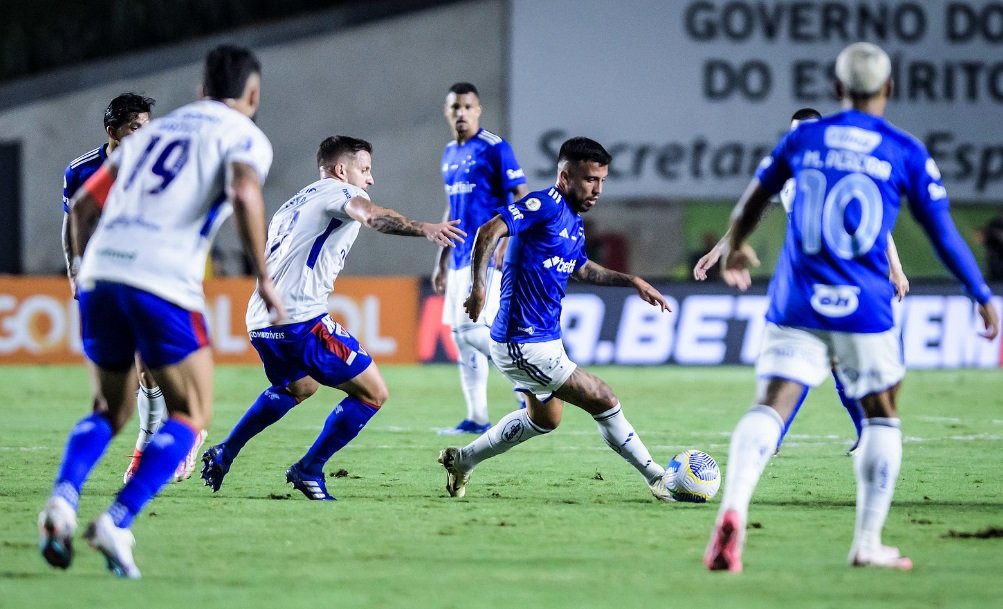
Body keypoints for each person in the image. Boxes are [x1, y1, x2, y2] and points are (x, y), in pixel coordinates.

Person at [704, 42, 999, 573]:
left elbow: (748, 204)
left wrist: (739, 245)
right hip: (863, 304)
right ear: (889, 89)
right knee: (882, 415)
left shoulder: (801, 141)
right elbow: (945, 236)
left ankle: (733, 510)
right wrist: (980, 292)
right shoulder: (903, 149)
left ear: (838, 89)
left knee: (770, 404)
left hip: (797, 298)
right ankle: (866, 542)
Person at [38, 45, 284, 579]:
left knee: (109, 408)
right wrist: (263, 276)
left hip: (101, 273)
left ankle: (62, 500)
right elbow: (244, 190)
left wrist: (85, 269)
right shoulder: (245, 135)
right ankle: (117, 520)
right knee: (192, 412)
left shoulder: (155, 132)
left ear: (200, 90)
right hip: (161, 277)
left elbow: (83, 209)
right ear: (253, 94)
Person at [200, 136, 465, 500]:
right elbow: (370, 216)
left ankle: (225, 452)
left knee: (299, 386)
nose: (370, 180)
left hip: (261, 320)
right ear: (342, 170)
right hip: (299, 320)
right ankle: (309, 469)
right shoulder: (340, 193)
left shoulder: (294, 202)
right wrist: (424, 228)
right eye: (365, 169)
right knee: (373, 393)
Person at [438, 137, 676, 502]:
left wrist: (632, 281)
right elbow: (490, 230)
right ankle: (657, 477)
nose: (597, 189)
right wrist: (479, 288)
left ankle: (463, 460)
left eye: (602, 181)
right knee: (603, 398)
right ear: (564, 178)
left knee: (545, 419)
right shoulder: (544, 205)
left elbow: (581, 268)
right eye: (589, 180)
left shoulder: (573, 221)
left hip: (545, 338)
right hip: (522, 342)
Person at [693, 107, 911, 455]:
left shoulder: (841, 168)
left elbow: (876, 223)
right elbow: (756, 209)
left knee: (834, 363)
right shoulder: (792, 171)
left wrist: (895, 268)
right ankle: (777, 439)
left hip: (847, 279)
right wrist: (722, 249)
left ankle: (856, 435)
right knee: (801, 361)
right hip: (805, 281)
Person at [61, 93, 205, 484]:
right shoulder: (82, 170)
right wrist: (76, 270)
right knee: (129, 381)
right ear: (113, 132)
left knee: (144, 368)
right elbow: (73, 219)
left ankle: (165, 440)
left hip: (149, 272)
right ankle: (182, 427)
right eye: (135, 128)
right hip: (106, 277)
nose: (145, 134)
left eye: (148, 126)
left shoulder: (155, 164)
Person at [432, 82, 529, 435]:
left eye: (467, 107)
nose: (461, 113)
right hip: (458, 255)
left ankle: (526, 383)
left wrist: (509, 238)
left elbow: (522, 196)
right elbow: (452, 209)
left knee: (470, 329)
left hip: (487, 255)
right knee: (461, 338)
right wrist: (440, 259)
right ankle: (476, 417)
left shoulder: (494, 148)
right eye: (455, 107)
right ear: (447, 111)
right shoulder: (448, 153)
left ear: (478, 110)